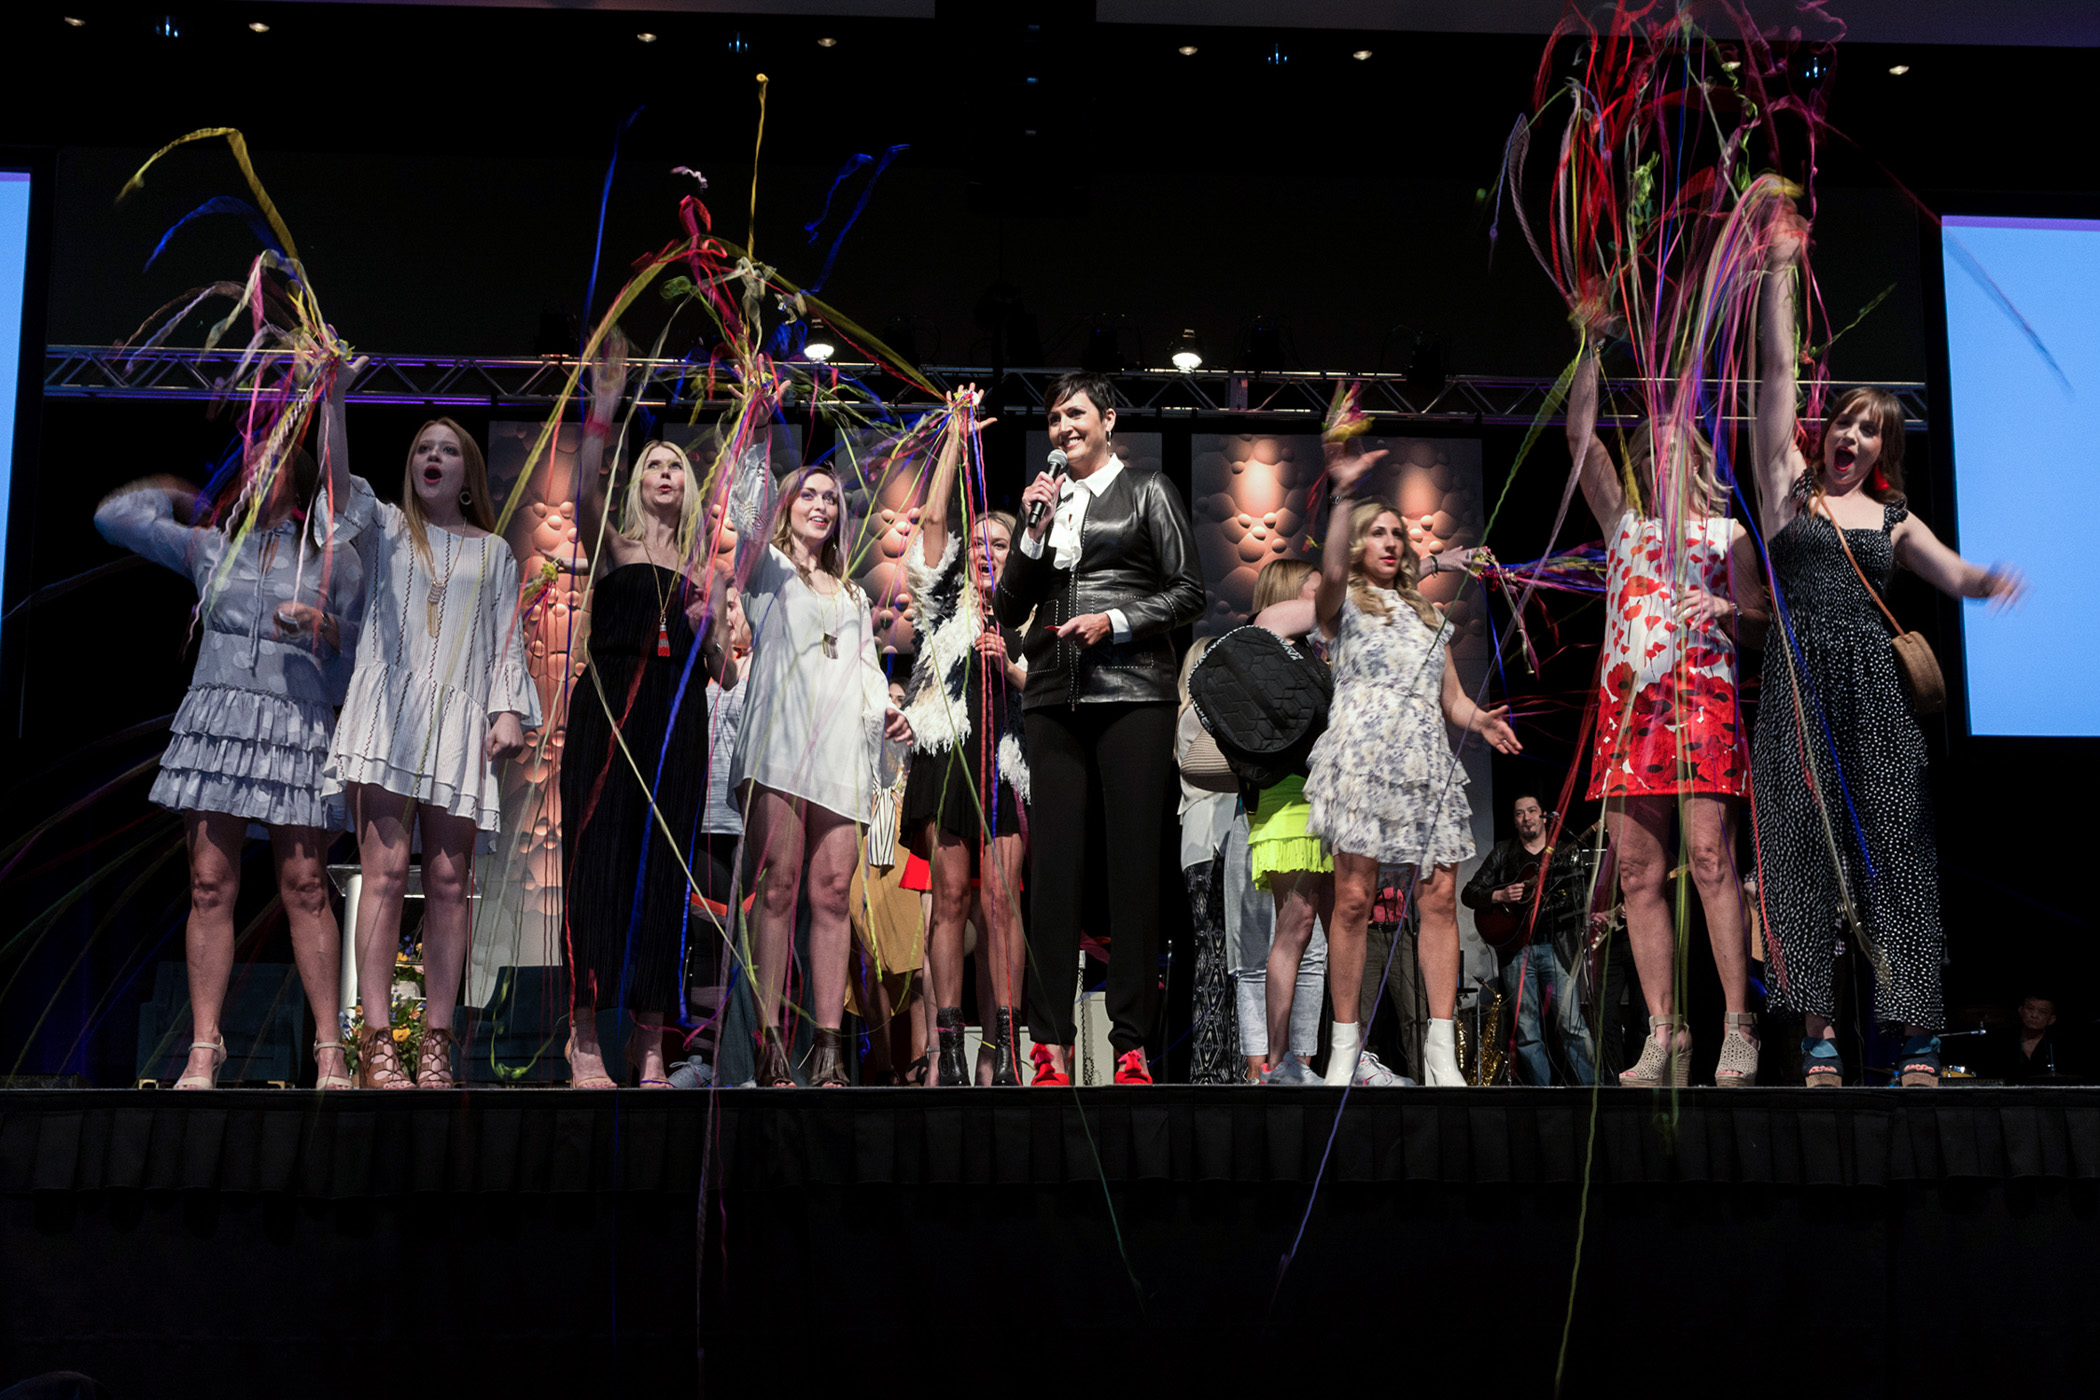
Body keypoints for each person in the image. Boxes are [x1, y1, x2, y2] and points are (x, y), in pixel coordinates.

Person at [1752, 204, 2024, 1087]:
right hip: (1796, 688)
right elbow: (1772, 378)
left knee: (1893, 859)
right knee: (1801, 858)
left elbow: (1957, 574)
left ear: (1882, 451)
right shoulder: (1786, 489)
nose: (1850, 437)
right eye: (1843, 423)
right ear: (1824, 432)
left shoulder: (1894, 517)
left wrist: (1992, 581)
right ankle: (1823, 1041)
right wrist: (1782, 269)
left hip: (1875, 694)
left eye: (1870, 431)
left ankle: (1912, 1040)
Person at [94, 367, 369, 1090]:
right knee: (210, 882)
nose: (256, 468)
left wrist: (325, 624)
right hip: (219, 721)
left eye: (271, 459)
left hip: (294, 722)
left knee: (306, 884)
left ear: (299, 479)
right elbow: (112, 519)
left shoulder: (331, 555)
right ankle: (203, 1047)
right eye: (251, 460)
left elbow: (366, 642)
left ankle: (330, 1051)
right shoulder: (209, 547)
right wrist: (184, 497)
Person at [320, 407, 541, 1088]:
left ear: (467, 475)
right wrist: (334, 399)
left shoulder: (495, 551)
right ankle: (378, 1040)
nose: (432, 458)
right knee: (382, 876)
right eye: (422, 450)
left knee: (450, 883)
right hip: (390, 715)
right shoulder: (387, 528)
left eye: (446, 450)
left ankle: (438, 1039)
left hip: (459, 723)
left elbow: (506, 639)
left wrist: (507, 709)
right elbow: (334, 487)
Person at [995, 370, 1205, 1087]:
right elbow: (1006, 602)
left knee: (1132, 871)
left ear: (1108, 420)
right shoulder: (1045, 505)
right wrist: (1031, 529)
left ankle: (1131, 1043)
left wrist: (1114, 622)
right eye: (1054, 419)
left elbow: (1189, 590)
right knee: (1053, 872)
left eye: (1076, 413)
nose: (1063, 427)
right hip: (1054, 695)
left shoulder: (1148, 490)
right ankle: (1048, 1044)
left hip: (1134, 693)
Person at [1567, 340, 1768, 1087]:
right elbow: (1579, 440)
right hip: (1630, 716)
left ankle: (1737, 1029)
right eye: (1650, 451)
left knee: (1713, 862)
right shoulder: (1626, 530)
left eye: (1672, 446)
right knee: (1638, 878)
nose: (1659, 459)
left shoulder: (1728, 536)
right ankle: (1665, 1034)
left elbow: (1758, 623)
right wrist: (1589, 345)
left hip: (1704, 709)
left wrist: (1725, 606)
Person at [1303, 443, 1521, 1087]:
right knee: (1351, 899)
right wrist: (1344, 493)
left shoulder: (1427, 614)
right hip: (1363, 760)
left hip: (1424, 763)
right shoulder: (1340, 603)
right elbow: (1332, 572)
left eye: (1398, 533)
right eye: (1379, 532)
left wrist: (1477, 718)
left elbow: (1449, 697)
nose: (1392, 542)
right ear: (1357, 545)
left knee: (1439, 899)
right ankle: (1344, 1044)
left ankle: (1439, 1050)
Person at [556, 355, 739, 1089]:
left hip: (677, 724)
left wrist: (709, 628)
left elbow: (724, 672)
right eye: (654, 464)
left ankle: (652, 1042)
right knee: (598, 869)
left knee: (663, 879)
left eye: (675, 466)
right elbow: (585, 495)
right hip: (610, 715)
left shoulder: (708, 573)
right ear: (640, 481)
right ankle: (584, 1038)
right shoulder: (618, 548)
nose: (665, 473)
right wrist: (601, 413)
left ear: (688, 488)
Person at [729, 460, 914, 1087]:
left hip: (839, 751)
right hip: (779, 744)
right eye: (806, 495)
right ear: (787, 506)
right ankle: (770, 1040)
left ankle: (830, 1048)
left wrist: (889, 710)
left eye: (830, 498)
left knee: (834, 892)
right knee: (777, 886)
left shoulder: (858, 594)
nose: (820, 506)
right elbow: (747, 514)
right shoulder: (767, 570)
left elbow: (864, 674)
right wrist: (755, 426)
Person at [900, 389, 1030, 1086]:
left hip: (1008, 762)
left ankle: (999, 1050)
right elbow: (934, 514)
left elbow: (1044, 681)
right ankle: (947, 1048)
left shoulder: (1030, 610)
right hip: (948, 758)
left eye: (1000, 543)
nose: (986, 550)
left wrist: (1010, 665)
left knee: (1000, 902)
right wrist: (954, 435)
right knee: (949, 899)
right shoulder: (943, 599)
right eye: (978, 543)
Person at [1244, 556, 1410, 1086]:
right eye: (1315, 589)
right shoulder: (1270, 640)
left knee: (1345, 925)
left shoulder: (1315, 649)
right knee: (1294, 927)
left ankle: (1349, 1051)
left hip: (1333, 795)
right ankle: (1279, 1061)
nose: (1327, 598)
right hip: (1292, 797)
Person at [1461, 795, 1592, 1085]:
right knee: (1527, 1030)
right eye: (1519, 813)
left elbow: (1581, 898)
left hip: (1556, 946)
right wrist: (1500, 895)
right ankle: (1541, 1096)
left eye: (1532, 811)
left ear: (1544, 816)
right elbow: (1469, 893)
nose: (1526, 818)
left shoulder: (1563, 852)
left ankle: (1592, 1091)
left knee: (1572, 1025)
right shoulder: (1504, 852)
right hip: (1516, 951)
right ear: (1515, 820)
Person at [1176, 637, 1246, 1083]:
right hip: (1212, 840)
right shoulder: (1197, 714)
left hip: (1203, 841)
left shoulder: (1189, 714)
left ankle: (1220, 1064)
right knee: (1220, 955)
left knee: (1219, 953)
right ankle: (1215, 1065)